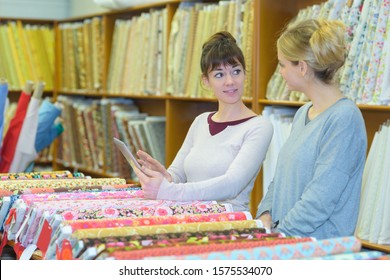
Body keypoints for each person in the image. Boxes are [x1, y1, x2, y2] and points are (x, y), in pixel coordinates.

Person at [133, 31, 273, 212]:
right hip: (189, 216)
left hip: (228, 223)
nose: (230, 81)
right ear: (206, 81)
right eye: (219, 75)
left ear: (245, 74)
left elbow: (232, 184)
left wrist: (169, 191)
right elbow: (178, 175)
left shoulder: (259, 126)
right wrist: (164, 177)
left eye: (236, 71)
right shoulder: (200, 122)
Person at [256, 19, 367, 239]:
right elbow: (281, 177)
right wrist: (265, 214)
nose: (280, 72)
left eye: (283, 64)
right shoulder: (303, 113)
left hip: (317, 251)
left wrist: (279, 236)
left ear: (303, 68)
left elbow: (320, 199)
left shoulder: (344, 119)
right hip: (288, 243)